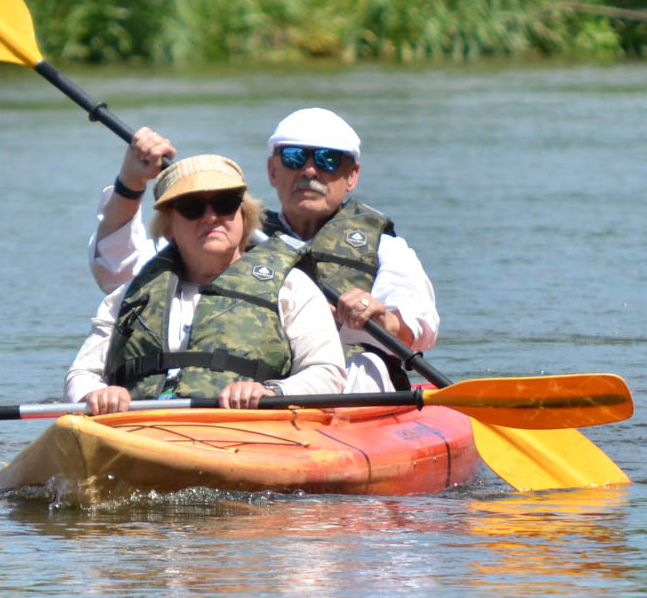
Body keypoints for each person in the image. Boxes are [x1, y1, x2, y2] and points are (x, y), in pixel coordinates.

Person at [86, 108, 438, 392]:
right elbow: (120, 273)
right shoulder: (226, 233)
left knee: (364, 365)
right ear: (272, 170)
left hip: (350, 388)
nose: (310, 170)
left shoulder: (385, 248)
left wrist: (378, 317)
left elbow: (419, 331)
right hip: (256, 387)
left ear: (352, 175)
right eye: (294, 157)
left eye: (329, 160)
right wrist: (131, 184)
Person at [66, 155, 346, 414]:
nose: (211, 216)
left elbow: (326, 372)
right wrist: (96, 395)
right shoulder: (130, 295)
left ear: (243, 215)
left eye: (225, 204)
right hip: (141, 428)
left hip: (248, 429)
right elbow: (82, 376)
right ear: (168, 226)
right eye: (192, 207)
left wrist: (271, 391)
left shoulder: (292, 287)